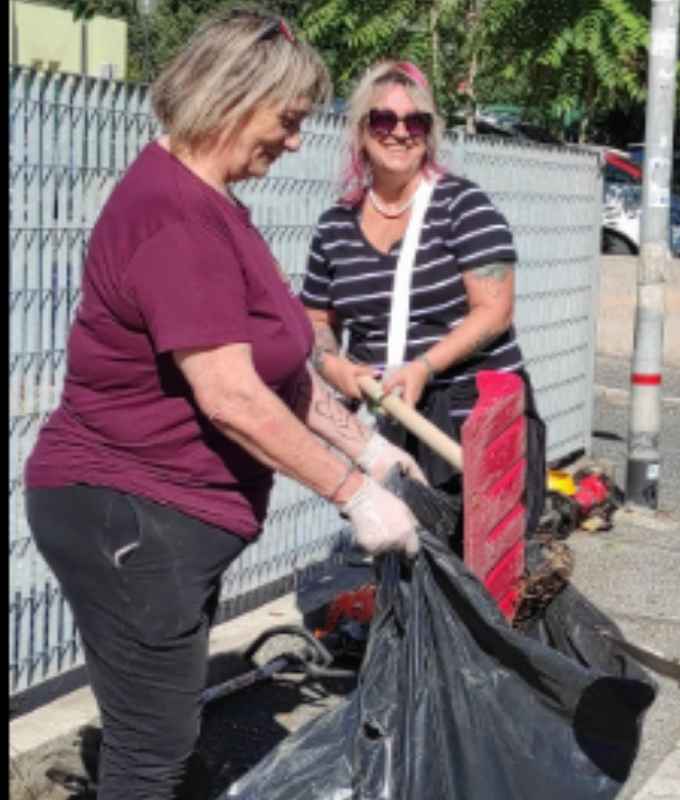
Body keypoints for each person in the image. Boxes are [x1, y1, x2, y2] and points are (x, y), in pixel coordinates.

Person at [23, 11, 427, 799]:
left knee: (164, 735)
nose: (294, 141)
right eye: (287, 121)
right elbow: (232, 395)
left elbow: (277, 364)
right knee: (151, 752)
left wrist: (366, 449)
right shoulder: (174, 220)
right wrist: (352, 494)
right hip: (126, 512)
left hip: (168, 518)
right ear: (235, 98)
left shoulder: (214, 207)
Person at [300, 59, 546, 532]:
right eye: (382, 119)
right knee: (402, 569)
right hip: (388, 427)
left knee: (483, 582)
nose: (399, 132)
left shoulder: (464, 206)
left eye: (415, 121)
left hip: (471, 420)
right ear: (360, 130)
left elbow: (494, 310)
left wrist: (422, 367)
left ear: (429, 132)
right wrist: (335, 367)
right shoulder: (335, 225)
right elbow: (315, 320)